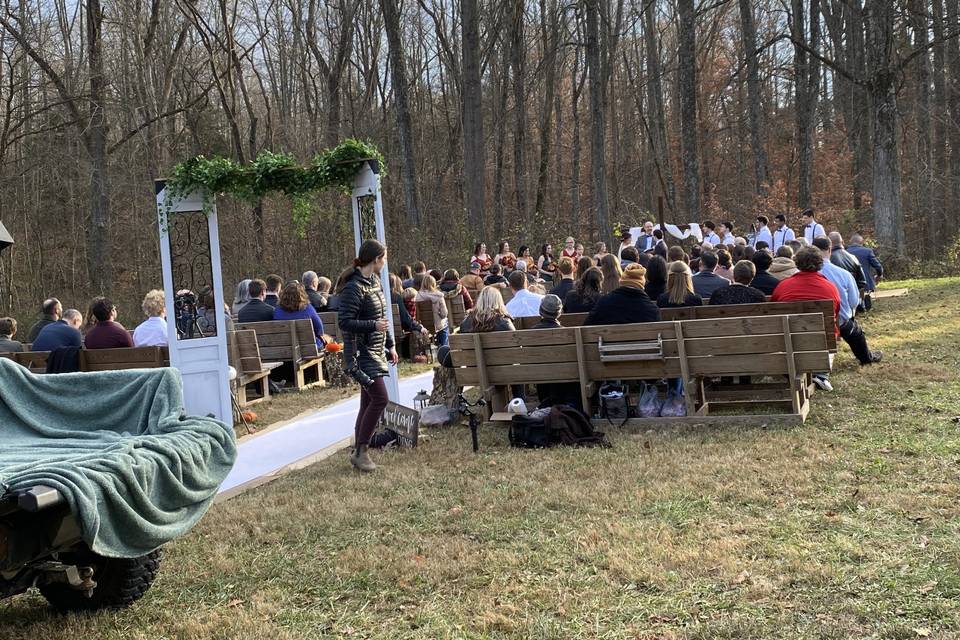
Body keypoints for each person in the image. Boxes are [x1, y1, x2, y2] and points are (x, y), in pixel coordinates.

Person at [338, 239, 398, 473]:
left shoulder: (373, 282)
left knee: (367, 401)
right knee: (380, 398)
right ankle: (362, 450)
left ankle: (359, 450)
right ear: (376, 259)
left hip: (375, 350)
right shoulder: (354, 287)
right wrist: (372, 325)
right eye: (384, 258)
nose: (385, 262)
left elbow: (383, 317)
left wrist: (390, 345)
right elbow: (345, 322)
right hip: (360, 354)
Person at [812, 237, 881, 366]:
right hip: (838, 323)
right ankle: (866, 358)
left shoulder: (800, 274)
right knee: (856, 333)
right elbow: (854, 302)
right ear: (830, 249)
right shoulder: (843, 274)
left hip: (806, 323)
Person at [586, 263, 661, 325]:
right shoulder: (652, 310)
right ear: (642, 284)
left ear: (622, 281)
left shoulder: (604, 302)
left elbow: (587, 325)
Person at [273, 281, 326, 348]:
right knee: (328, 339)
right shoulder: (308, 308)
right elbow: (319, 329)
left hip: (284, 348)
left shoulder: (277, 310)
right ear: (302, 294)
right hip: (309, 347)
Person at [828, 231, 867, 296]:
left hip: (835, 297)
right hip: (853, 297)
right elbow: (862, 282)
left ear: (829, 244)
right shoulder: (853, 258)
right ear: (842, 242)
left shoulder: (828, 260)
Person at [847, 234, 884, 301]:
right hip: (866, 283)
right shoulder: (867, 251)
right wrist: (879, 275)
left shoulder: (845, 252)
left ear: (850, 242)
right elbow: (878, 266)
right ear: (862, 242)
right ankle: (866, 298)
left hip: (850, 283)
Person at [416, 274, 450, 347]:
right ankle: (444, 347)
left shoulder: (418, 296)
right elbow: (444, 314)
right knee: (445, 324)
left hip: (424, 325)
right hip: (438, 325)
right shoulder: (439, 296)